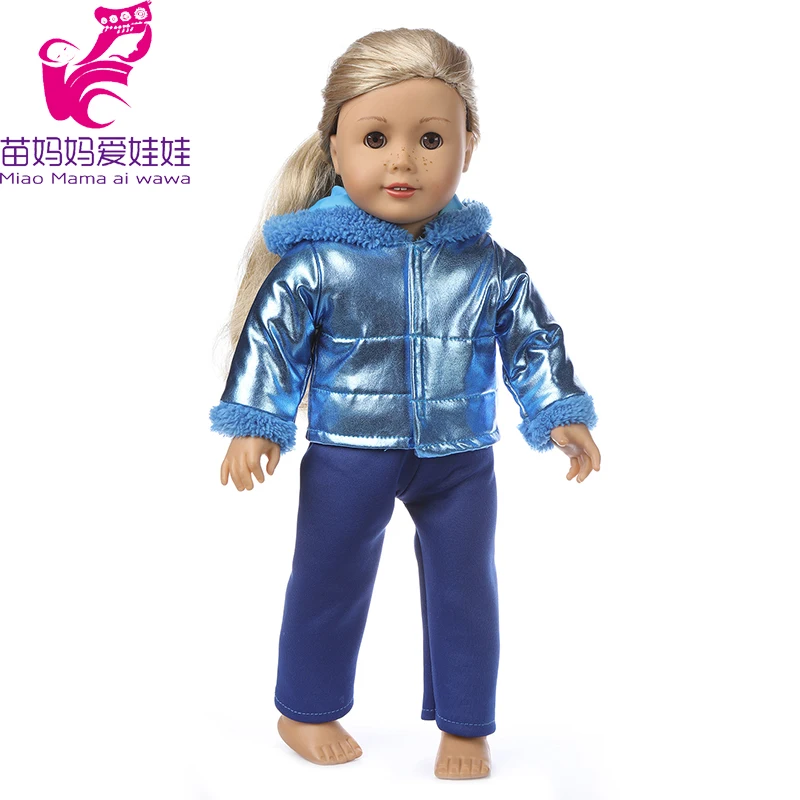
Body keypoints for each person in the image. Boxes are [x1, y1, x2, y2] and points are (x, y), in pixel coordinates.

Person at [209, 27, 601, 780]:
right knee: (329, 577)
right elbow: (271, 342)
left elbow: (532, 342)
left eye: (430, 139)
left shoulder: (488, 265)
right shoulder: (317, 264)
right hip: (348, 454)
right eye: (375, 138)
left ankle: (465, 724)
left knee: (466, 586)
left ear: (468, 145)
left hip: (460, 457)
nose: (401, 161)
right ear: (334, 147)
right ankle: (306, 708)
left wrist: (559, 411)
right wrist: (257, 423)